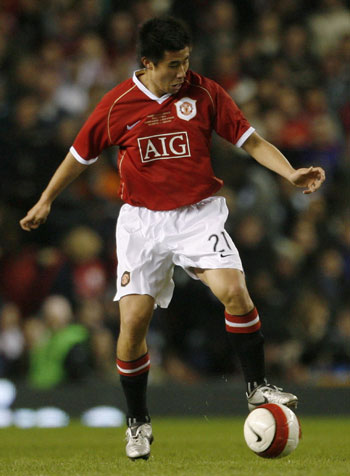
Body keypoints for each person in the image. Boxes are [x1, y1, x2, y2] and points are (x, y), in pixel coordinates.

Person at [20, 17, 326, 460]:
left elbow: (252, 141)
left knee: (235, 291)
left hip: (196, 216)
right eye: (174, 64)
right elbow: (78, 156)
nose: (183, 71)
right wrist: (46, 199)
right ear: (147, 63)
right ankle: (138, 422)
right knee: (132, 328)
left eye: (187, 61)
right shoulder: (116, 104)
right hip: (142, 223)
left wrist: (290, 172)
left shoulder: (204, 93)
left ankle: (258, 388)